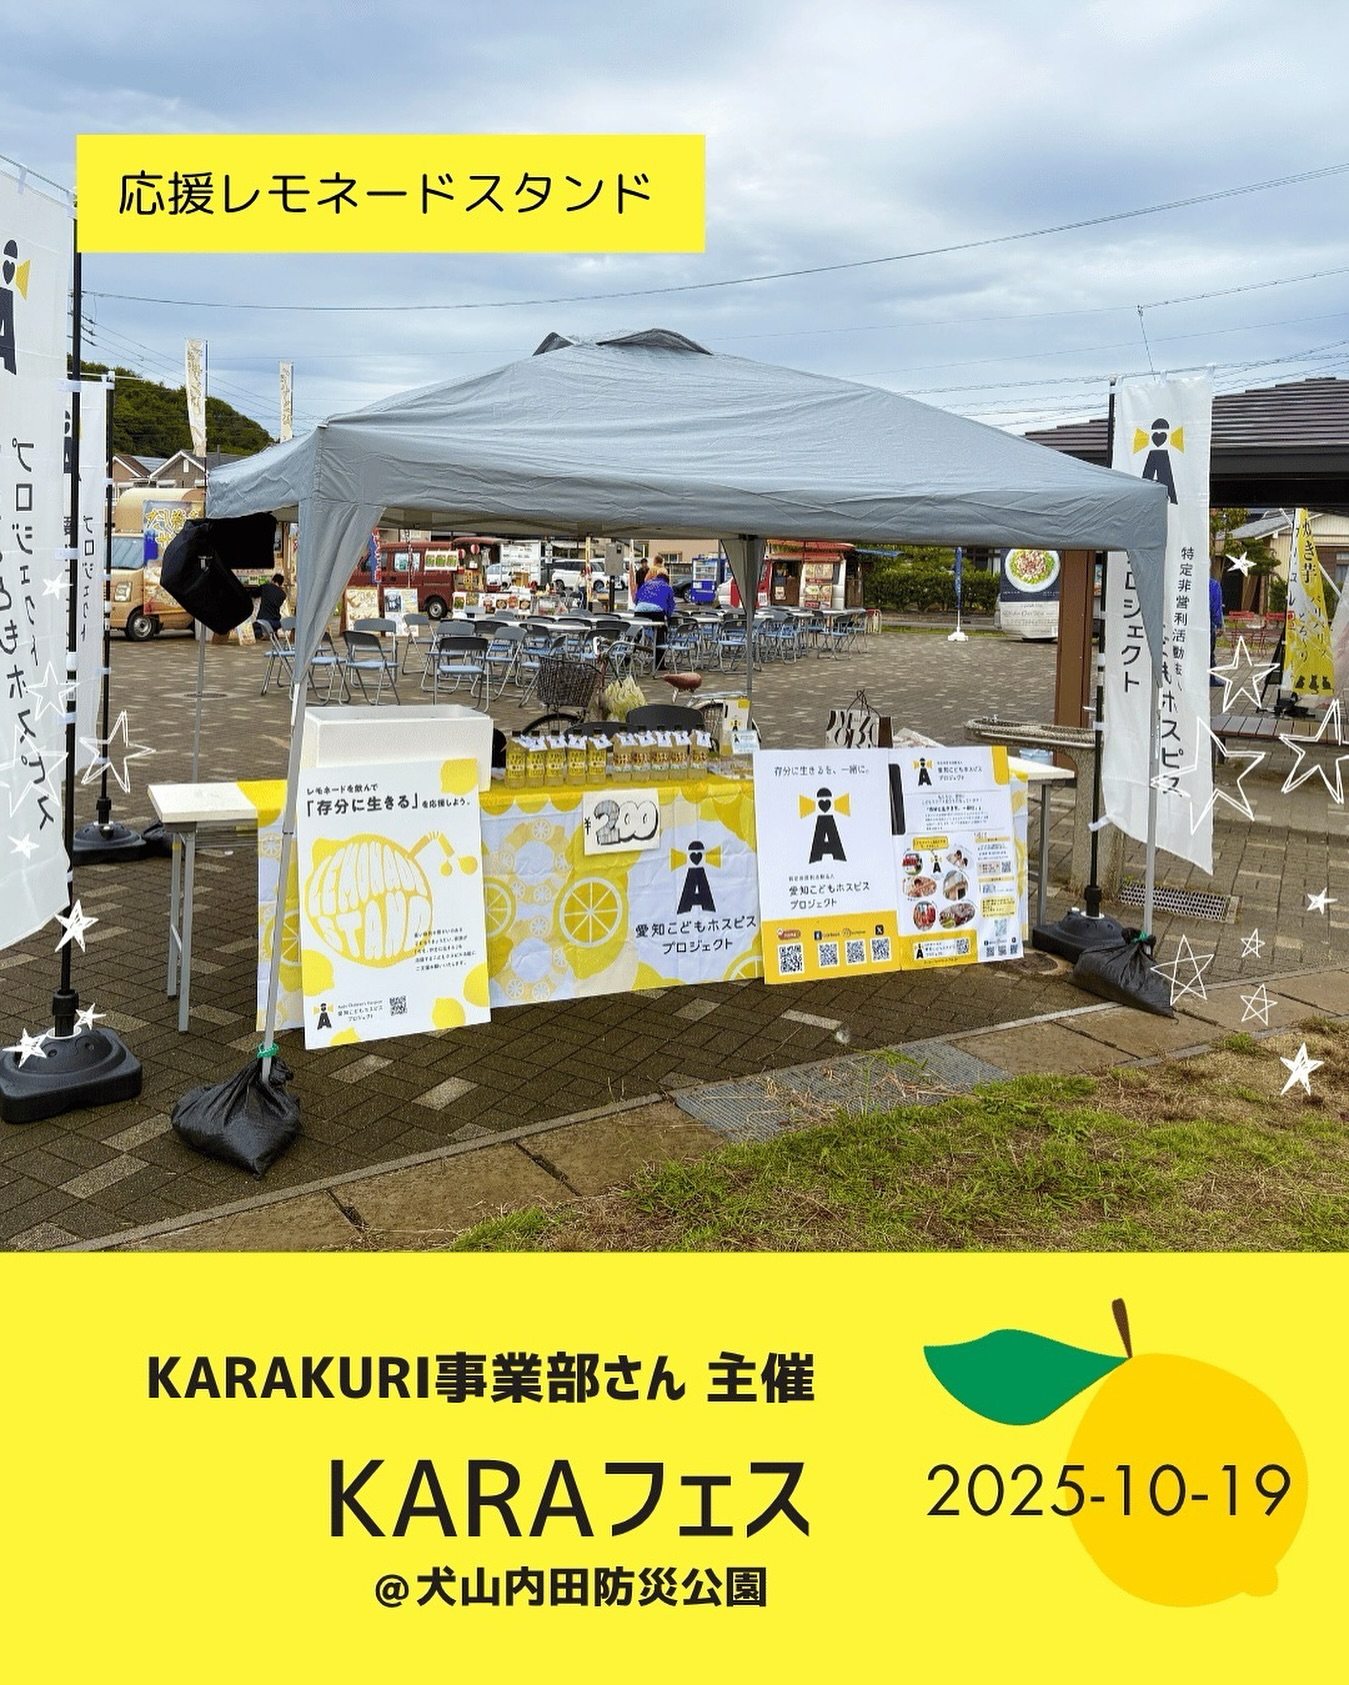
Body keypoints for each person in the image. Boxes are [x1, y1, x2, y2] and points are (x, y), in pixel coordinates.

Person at [633, 560, 676, 668]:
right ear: (667, 581)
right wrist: (667, 618)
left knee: (635, 634)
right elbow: (670, 605)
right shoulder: (667, 587)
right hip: (657, 610)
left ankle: (626, 658)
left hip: (640, 609)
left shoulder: (647, 584)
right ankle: (659, 664)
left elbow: (636, 599)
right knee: (659, 635)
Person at [1209, 570, 1224, 684]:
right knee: (1209, 651)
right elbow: (1216, 607)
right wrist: (1219, 624)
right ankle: (1210, 678)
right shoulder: (1213, 585)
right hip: (1208, 624)